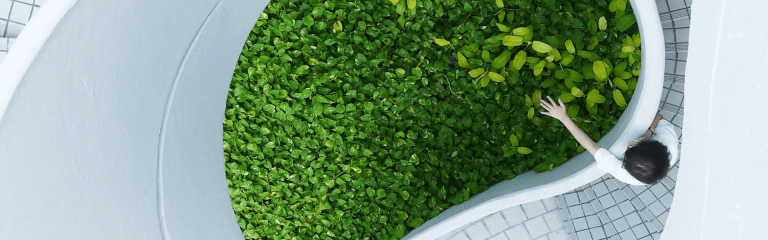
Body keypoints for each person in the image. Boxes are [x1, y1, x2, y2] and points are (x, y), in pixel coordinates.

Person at [538, 96, 679, 185]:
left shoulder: (623, 174)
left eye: (625, 158)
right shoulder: (669, 143)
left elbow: (591, 146)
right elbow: (659, 117)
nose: (624, 154)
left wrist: (564, 118)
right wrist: (648, 133)